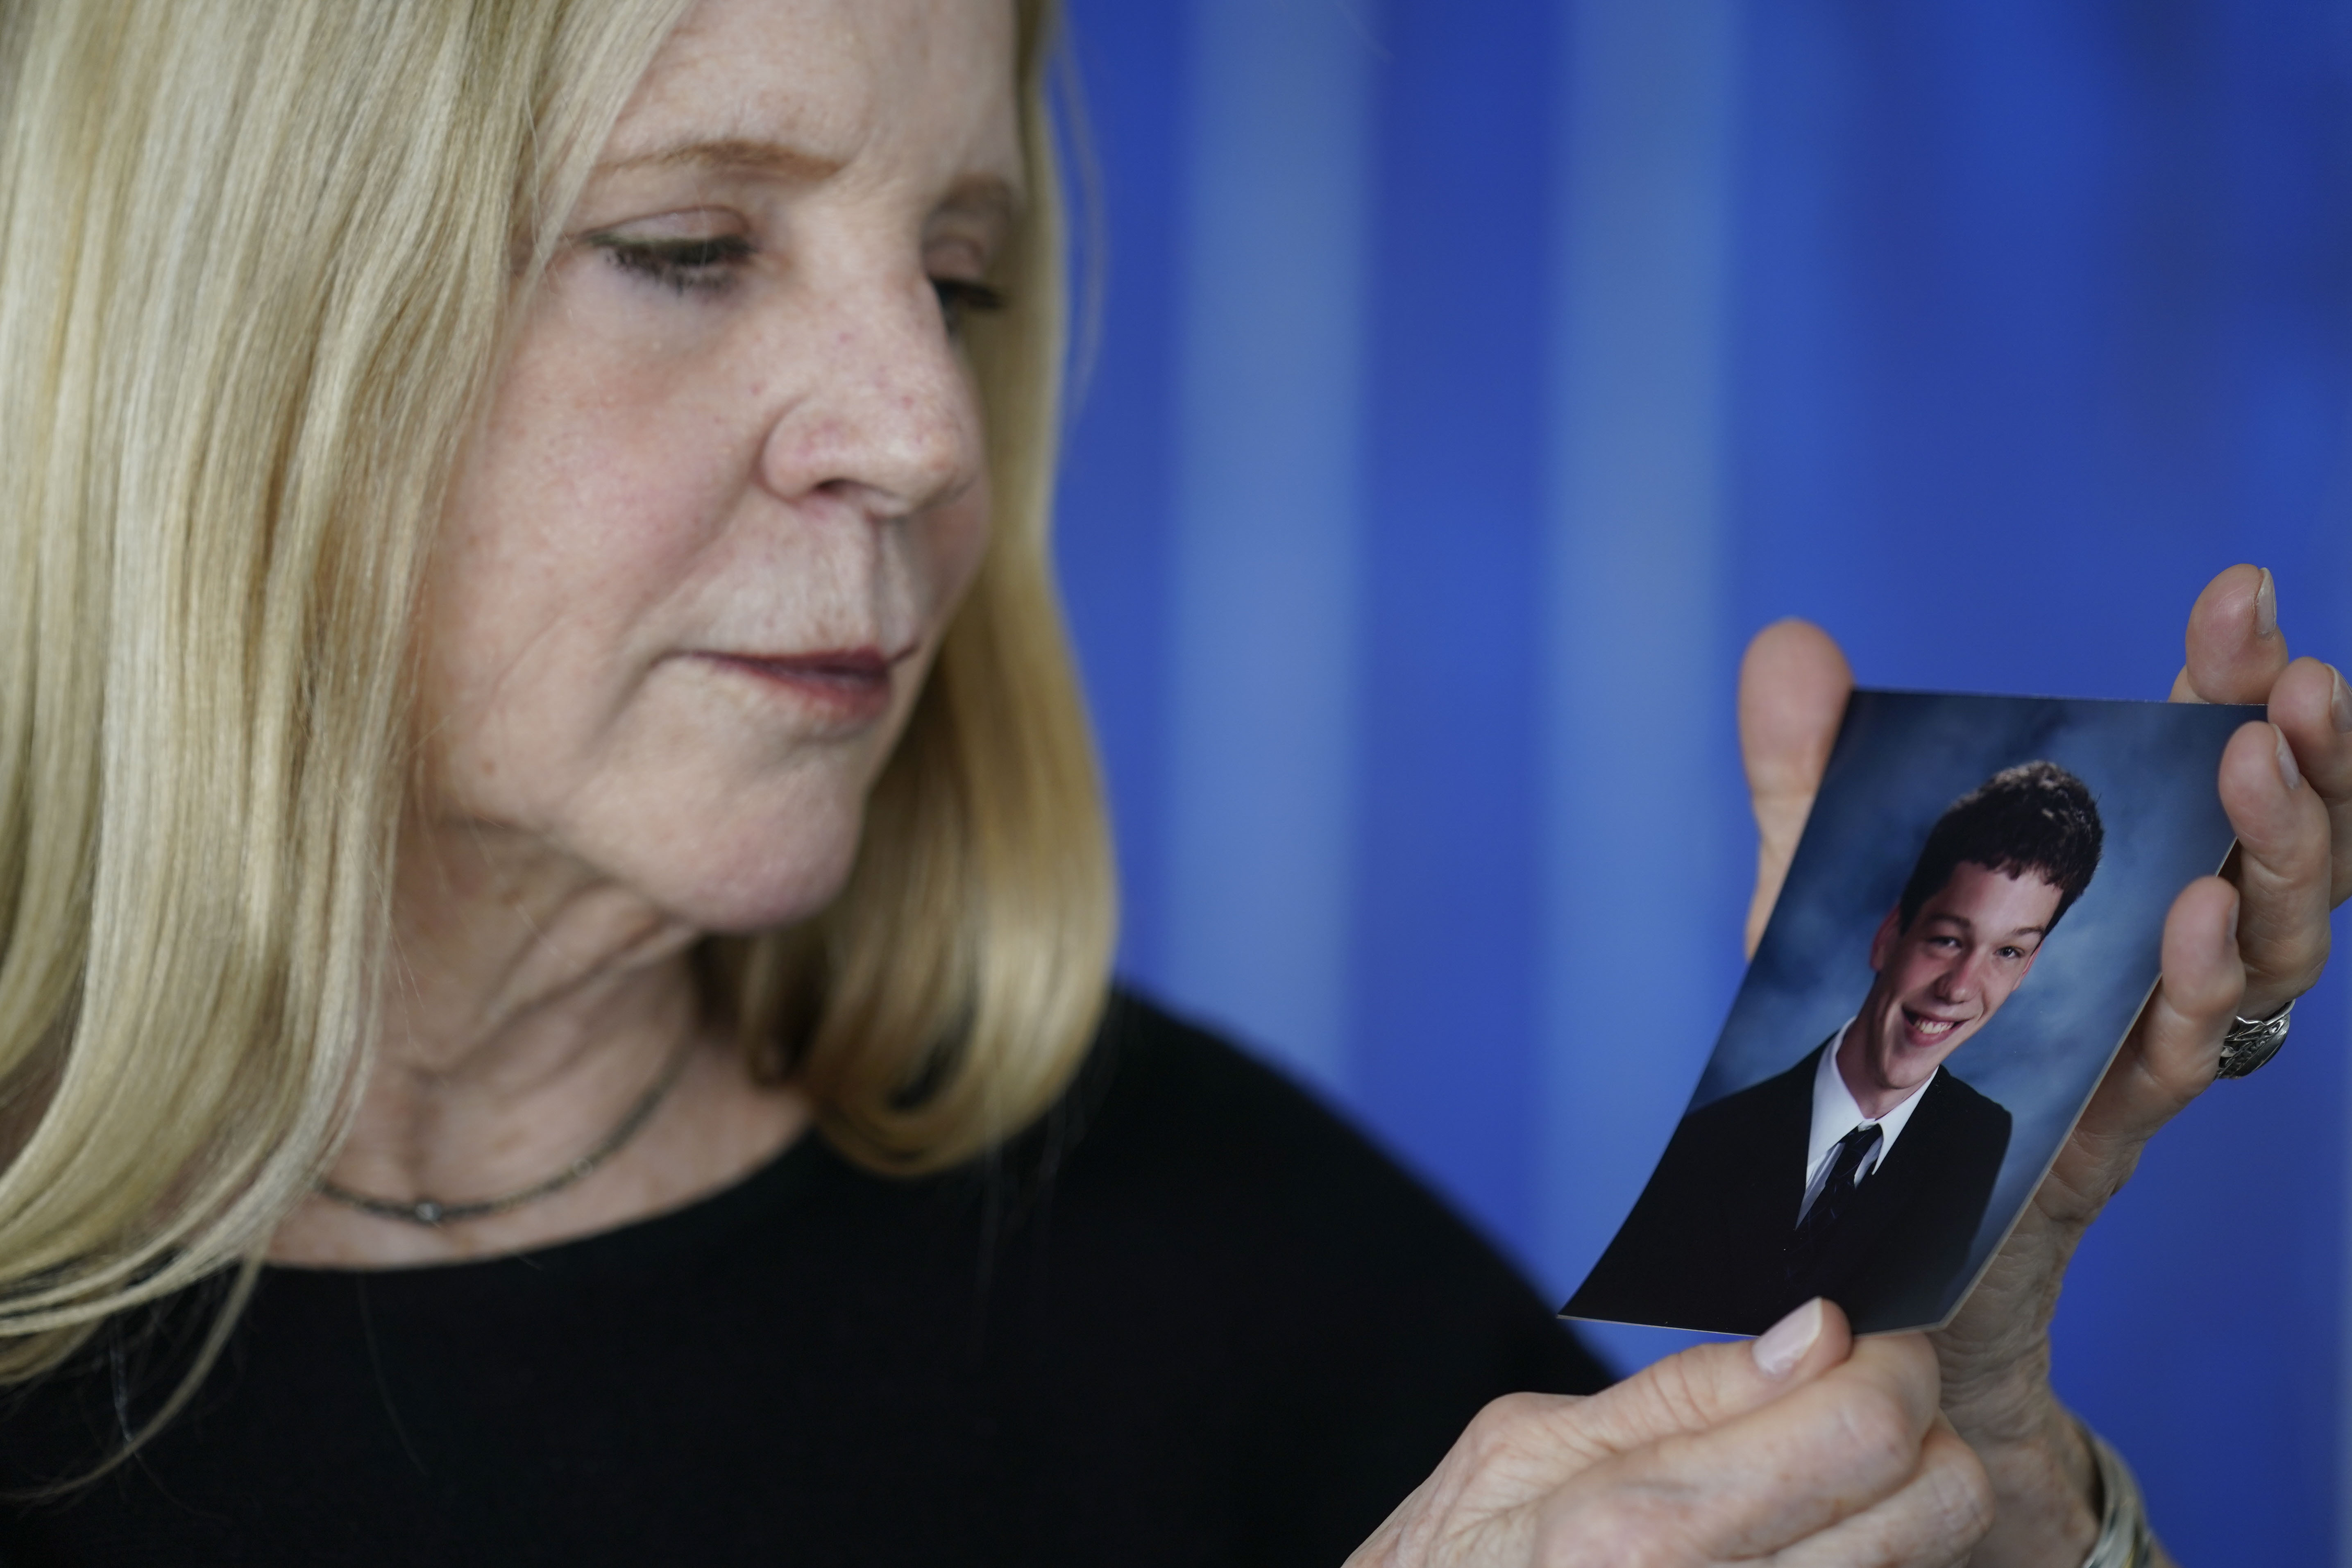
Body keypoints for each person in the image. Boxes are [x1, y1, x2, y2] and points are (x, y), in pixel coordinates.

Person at [0, 2, 2340, 1565]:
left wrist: (1989, 1477)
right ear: (218, 329)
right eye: (688, 248)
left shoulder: (1239, 1271)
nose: (925, 430)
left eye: (959, 276)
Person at [1570, 760, 2104, 1336]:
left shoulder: (1977, 1137)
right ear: (1888, 938)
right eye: (1948, 940)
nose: (1959, 989)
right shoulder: (1701, 1147)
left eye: (2007, 953)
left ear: (2027, 970)